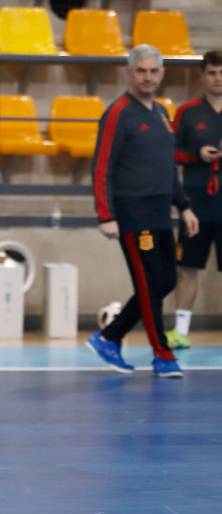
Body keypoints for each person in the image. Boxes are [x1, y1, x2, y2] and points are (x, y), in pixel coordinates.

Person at [87, 44, 199, 379]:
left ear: (162, 73)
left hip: (161, 215)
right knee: (150, 286)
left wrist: (184, 207)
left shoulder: (162, 113)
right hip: (135, 218)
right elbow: (101, 166)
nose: (148, 77)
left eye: (153, 71)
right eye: (141, 71)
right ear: (129, 73)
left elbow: (168, 167)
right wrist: (106, 215)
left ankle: (109, 337)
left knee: (165, 281)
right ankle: (162, 355)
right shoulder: (118, 113)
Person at [168, 50, 222, 349]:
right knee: (187, 269)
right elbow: (170, 151)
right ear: (203, 76)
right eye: (212, 72)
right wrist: (196, 155)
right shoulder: (188, 112)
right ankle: (181, 332)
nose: (218, 78)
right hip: (195, 207)